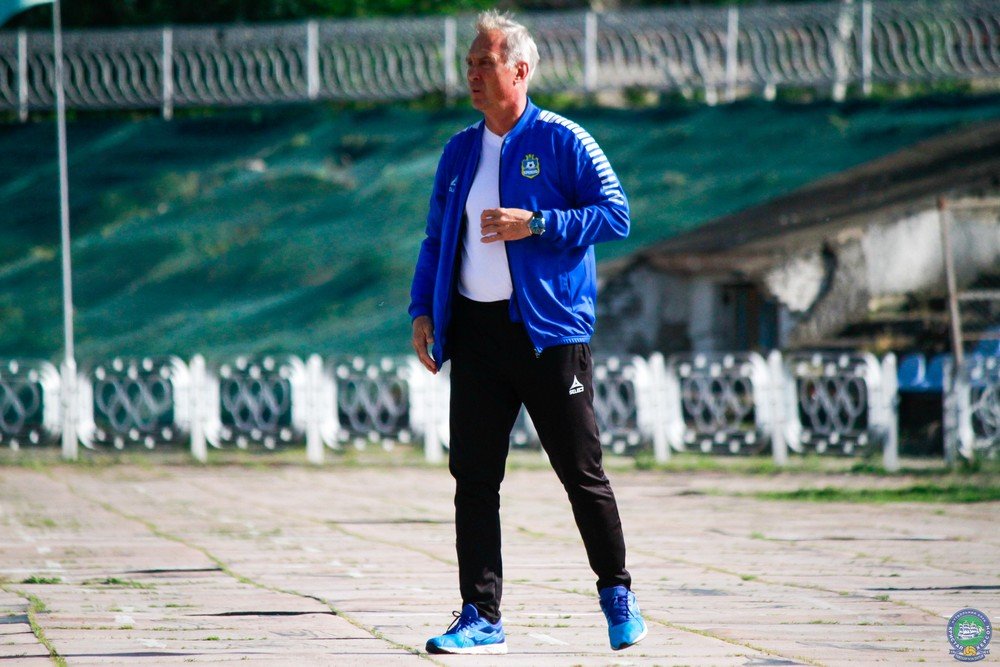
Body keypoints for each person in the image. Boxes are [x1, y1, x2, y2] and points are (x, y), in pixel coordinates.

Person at [408, 9, 646, 655]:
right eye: (469, 64)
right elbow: (436, 240)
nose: (473, 75)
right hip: (476, 334)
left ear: (520, 70)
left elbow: (616, 214)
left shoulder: (563, 139)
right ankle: (480, 615)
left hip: (548, 334)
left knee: (581, 473)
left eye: (485, 63)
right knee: (474, 479)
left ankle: (617, 592)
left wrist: (536, 223)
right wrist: (423, 311)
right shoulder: (459, 150)